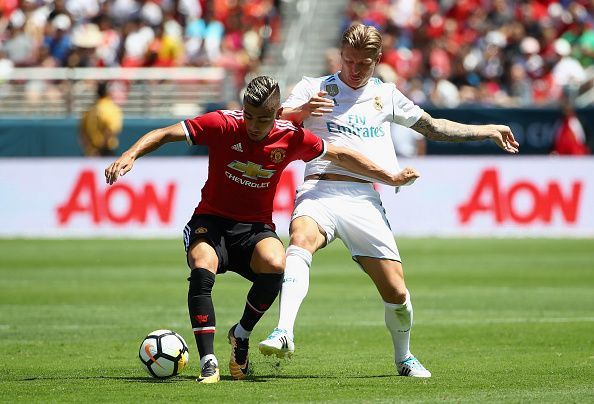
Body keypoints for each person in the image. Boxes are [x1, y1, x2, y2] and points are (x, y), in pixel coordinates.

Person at [104, 75, 421, 383]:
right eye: (251, 117)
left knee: (276, 263)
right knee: (203, 265)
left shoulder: (289, 136)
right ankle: (207, 361)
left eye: (264, 119)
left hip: (254, 228)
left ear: (277, 112)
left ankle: (240, 335)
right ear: (243, 109)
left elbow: (338, 154)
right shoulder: (223, 123)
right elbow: (164, 133)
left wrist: (388, 177)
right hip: (211, 221)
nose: (255, 126)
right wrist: (130, 153)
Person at [258, 24, 519, 378]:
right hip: (319, 188)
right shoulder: (313, 87)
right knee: (300, 239)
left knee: (396, 290)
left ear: (377, 60)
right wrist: (301, 110)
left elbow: (433, 126)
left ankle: (404, 357)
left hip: (364, 198)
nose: (353, 69)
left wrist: (485, 130)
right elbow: (265, 122)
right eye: (348, 60)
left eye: (363, 64)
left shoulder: (387, 95)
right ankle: (283, 330)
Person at [80, 81, 123, 157]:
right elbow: (111, 130)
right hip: (106, 152)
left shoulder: (90, 109)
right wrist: (102, 149)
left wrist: (90, 148)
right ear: (107, 92)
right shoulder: (111, 108)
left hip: (92, 152)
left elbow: (82, 132)